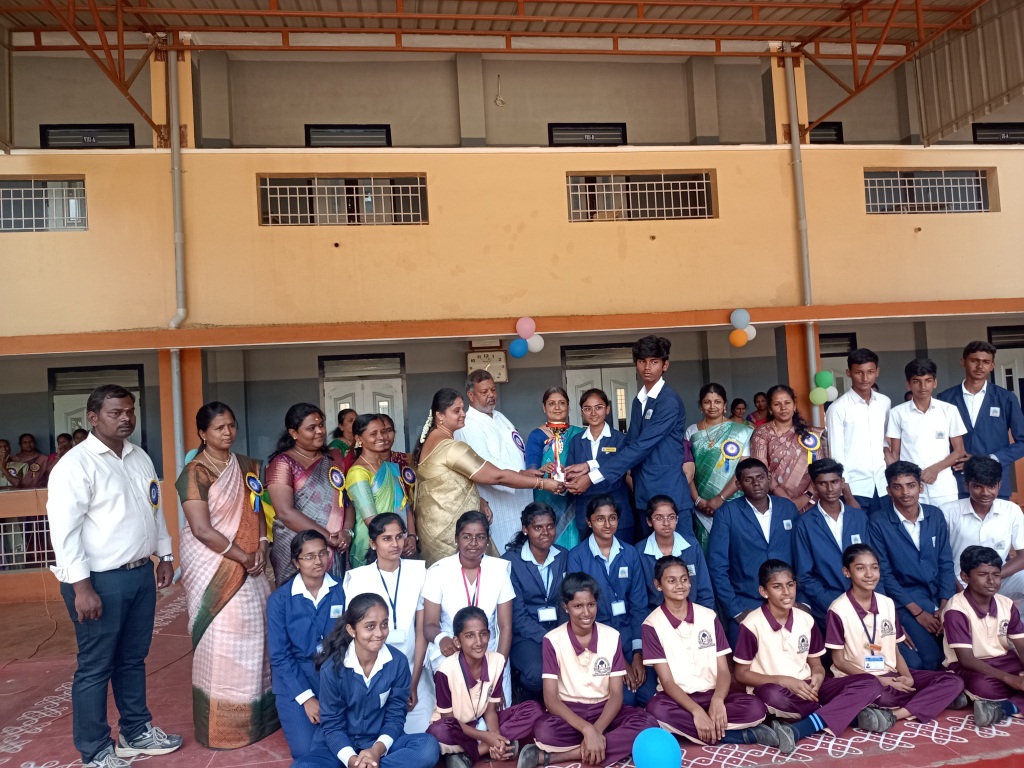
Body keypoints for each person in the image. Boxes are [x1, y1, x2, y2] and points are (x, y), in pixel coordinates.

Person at [46, 384, 182, 768]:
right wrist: (82, 588)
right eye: (115, 413)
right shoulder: (76, 465)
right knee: (96, 666)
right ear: (93, 417)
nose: (125, 418)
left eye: (129, 411)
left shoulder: (139, 457)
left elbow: (153, 509)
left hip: (139, 574)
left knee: (133, 659)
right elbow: (65, 533)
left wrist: (165, 555)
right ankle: (95, 750)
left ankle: (135, 731)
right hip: (98, 582)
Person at [175, 402, 277, 749]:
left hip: (251, 560)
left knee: (257, 630)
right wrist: (242, 556)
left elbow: (256, 509)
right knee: (223, 636)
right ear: (202, 433)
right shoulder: (195, 472)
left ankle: (259, 720)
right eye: (219, 428)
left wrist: (262, 544)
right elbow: (201, 529)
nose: (228, 432)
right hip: (214, 564)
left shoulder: (247, 466)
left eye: (231, 425)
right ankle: (223, 728)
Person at [732, 560, 884, 754]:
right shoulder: (751, 624)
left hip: (809, 689)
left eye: (790, 585)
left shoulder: (806, 619)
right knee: (771, 695)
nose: (786, 592)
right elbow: (741, 674)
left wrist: (818, 677)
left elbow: (816, 664)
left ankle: (802, 728)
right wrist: (785, 681)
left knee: (870, 682)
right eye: (777, 587)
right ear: (764, 591)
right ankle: (849, 715)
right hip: (777, 690)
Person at [414, 388, 563, 566]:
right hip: (448, 531)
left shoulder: (432, 441)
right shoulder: (450, 448)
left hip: (434, 526)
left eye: (462, 408)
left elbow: (449, 483)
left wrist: (478, 499)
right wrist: (542, 483)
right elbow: (497, 476)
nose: (463, 414)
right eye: (456, 411)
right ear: (439, 416)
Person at [825, 544, 965, 732]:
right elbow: (839, 661)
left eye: (874, 567)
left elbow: (895, 650)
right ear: (846, 572)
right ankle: (923, 702)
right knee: (880, 694)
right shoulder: (838, 609)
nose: (869, 574)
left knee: (953, 681)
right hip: (861, 680)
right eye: (860, 568)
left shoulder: (887, 603)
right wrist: (881, 680)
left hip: (891, 674)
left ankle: (894, 715)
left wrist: (907, 677)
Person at [293, 594, 442, 768]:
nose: (379, 633)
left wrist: (376, 751)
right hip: (338, 747)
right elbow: (333, 726)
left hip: (381, 743)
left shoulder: (397, 662)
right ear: (351, 630)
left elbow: (395, 717)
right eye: (370, 626)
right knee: (303, 766)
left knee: (428, 747)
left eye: (384, 624)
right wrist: (352, 761)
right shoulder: (332, 669)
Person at [643, 556, 776, 747]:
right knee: (656, 711)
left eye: (684, 579)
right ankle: (743, 736)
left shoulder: (708, 616)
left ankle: (697, 730)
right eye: (671, 581)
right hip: (678, 700)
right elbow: (667, 682)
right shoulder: (651, 624)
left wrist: (718, 700)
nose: (680, 585)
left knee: (756, 708)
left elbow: (723, 670)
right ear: (658, 585)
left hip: (713, 693)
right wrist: (697, 711)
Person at [565, 335, 691, 530]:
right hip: (644, 494)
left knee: (680, 548)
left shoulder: (668, 401)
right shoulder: (639, 400)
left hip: (669, 494)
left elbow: (641, 447)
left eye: (654, 362)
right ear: (636, 364)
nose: (647, 367)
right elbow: (628, 444)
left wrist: (591, 477)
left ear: (665, 365)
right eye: (642, 361)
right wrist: (589, 465)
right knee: (648, 549)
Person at [532, 573, 658, 767]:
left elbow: (616, 694)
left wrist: (596, 730)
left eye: (591, 604)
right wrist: (587, 730)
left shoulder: (612, 636)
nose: (586, 613)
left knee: (648, 724)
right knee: (544, 731)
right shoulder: (552, 640)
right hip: (570, 712)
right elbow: (551, 698)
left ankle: (569, 754)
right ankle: (599, 744)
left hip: (605, 710)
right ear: (566, 607)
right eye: (577, 606)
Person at [344, 513, 432, 733]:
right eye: (387, 538)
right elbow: (355, 636)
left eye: (399, 537)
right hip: (372, 670)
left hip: (412, 667)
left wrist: (413, 683)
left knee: (423, 728)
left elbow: (421, 631)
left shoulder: (419, 572)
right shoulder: (358, 578)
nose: (395, 544)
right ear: (373, 543)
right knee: (373, 731)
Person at [426, 606, 545, 768]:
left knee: (533, 710)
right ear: (457, 641)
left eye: (483, 634)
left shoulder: (497, 661)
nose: (479, 642)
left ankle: (474, 752)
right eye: (470, 636)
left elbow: (490, 711)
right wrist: (487, 737)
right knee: (438, 732)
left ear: (489, 635)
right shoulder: (445, 671)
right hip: (457, 728)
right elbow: (448, 719)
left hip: (482, 723)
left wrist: (494, 735)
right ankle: (490, 747)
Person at [267, 531, 347, 759]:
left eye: (323, 553)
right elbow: (280, 656)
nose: (318, 561)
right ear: (296, 562)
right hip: (295, 679)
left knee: (347, 740)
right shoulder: (280, 600)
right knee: (306, 751)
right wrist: (306, 698)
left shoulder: (343, 589)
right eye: (309, 556)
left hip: (336, 674)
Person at [869, 461, 956, 671]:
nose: (905, 492)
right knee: (930, 661)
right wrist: (918, 613)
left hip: (940, 599)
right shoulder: (878, 522)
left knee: (960, 653)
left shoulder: (934, 515)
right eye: (897, 487)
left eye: (910, 485)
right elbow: (884, 574)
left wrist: (945, 606)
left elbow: (945, 562)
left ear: (920, 487)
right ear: (889, 490)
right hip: (905, 603)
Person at [422, 512, 516, 702]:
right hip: (451, 649)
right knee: (456, 710)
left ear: (487, 540)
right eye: (466, 537)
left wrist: (498, 666)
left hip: (489, 649)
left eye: (480, 537)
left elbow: (505, 627)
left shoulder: (499, 570)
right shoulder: (438, 571)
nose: (473, 543)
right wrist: (442, 640)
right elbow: (429, 624)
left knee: (494, 711)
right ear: (456, 539)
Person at [566, 495, 651, 705]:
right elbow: (582, 615)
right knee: (626, 699)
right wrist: (619, 661)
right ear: (589, 522)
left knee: (648, 693)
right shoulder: (577, 556)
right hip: (596, 644)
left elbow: (639, 606)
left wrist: (638, 653)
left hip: (630, 638)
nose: (607, 524)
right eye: (600, 519)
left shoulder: (630, 553)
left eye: (612, 518)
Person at [707, 458, 798, 644]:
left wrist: (801, 601)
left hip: (788, 600)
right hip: (746, 603)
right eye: (748, 480)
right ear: (739, 485)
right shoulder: (726, 513)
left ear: (769, 478)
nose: (756, 483)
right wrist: (735, 610)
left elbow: (801, 557)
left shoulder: (787, 508)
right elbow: (717, 566)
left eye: (760, 477)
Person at [266, 403, 354, 587]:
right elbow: (285, 512)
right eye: (311, 428)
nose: (320, 431)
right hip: (297, 546)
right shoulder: (282, 463)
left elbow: (345, 500)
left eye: (321, 425)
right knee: (300, 599)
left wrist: (347, 531)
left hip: (336, 544)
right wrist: (327, 537)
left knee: (335, 598)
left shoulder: (333, 458)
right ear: (294, 433)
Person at [942, 545, 1024, 727]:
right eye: (983, 574)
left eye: (996, 575)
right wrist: (1011, 679)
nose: (991, 581)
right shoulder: (956, 609)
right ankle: (1008, 705)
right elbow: (967, 659)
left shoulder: (1006, 604)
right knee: (985, 687)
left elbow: (1021, 646)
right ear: (965, 577)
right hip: (972, 666)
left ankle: (1004, 707)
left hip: (1005, 661)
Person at [455, 370, 535, 552]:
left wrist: (530, 471)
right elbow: (485, 462)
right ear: (471, 395)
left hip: (522, 494)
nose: (491, 395)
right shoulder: (468, 425)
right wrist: (521, 474)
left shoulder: (500, 417)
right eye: (484, 392)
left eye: (492, 390)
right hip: (497, 501)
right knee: (505, 551)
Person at [793, 459, 873, 629]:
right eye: (823, 483)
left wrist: (873, 602)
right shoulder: (804, 524)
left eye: (834, 482)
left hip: (865, 601)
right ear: (814, 486)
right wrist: (839, 605)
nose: (830, 489)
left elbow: (874, 565)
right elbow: (805, 577)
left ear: (842, 482)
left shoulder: (859, 518)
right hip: (828, 606)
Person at [938, 340, 1024, 500]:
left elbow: (1022, 442)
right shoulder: (945, 399)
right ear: (963, 362)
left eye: (986, 362)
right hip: (956, 482)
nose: (980, 366)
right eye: (974, 360)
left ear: (992, 366)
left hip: (995, 482)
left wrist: (989, 459)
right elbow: (937, 440)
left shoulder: (1006, 398)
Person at [502, 502, 569, 699]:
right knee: (538, 673)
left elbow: (568, 601)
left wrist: (563, 635)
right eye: (538, 527)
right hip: (525, 636)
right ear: (525, 529)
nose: (545, 533)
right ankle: (527, 699)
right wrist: (549, 639)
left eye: (550, 526)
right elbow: (518, 616)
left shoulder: (563, 555)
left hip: (560, 630)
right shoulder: (510, 562)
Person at [887, 358, 967, 508]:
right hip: (910, 487)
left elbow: (959, 450)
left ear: (935, 383)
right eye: (916, 381)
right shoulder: (897, 413)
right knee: (913, 522)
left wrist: (935, 469)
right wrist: (898, 483)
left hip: (943, 485)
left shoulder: (949, 410)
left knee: (946, 522)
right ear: (908, 384)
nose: (923, 387)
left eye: (928, 381)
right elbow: (895, 453)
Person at [942, 456, 1024, 600]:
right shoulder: (947, 512)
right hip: (959, 582)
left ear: (999, 485)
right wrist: (961, 590)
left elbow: (1022, 557)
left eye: (991, 487)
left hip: (999, 579)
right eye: (978, 486)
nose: (985, 493)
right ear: (966, 485)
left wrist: (992, 577)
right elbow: (938, 559)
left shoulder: (1011, 510)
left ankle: (1012, 616)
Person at [686, 383, 754, 549]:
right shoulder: (691, 431)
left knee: (734, 549)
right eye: (707, 402)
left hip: (732, 501)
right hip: (701, 505)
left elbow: (743, 470)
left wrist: (720, 498)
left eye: (717, 402)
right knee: (705, 549)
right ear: (701, 406)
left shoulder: (740, 431)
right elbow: (687, 470)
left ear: (724, 405)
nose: (712, 406)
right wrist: (698, 500)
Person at [826, 348, 892, 514]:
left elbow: (885, 442)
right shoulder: (837, 408)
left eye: (870, 372)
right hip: (855, 488)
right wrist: (847, 495)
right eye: (858, 372)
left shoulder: (884, 402)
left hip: (883, 485)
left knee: (884, 529)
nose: (865, 378)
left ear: (877, 372)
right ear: (849, 373)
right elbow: (836, 455)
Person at [564, 388, 633, 544]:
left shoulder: (621, 439)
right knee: (589, 557)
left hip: (616, 511)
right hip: (585, 513)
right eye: (587, 408)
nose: (593, 413)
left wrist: (586, 481)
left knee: (621, 556)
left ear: (607, 409)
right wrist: (569, 482)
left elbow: (618, 472)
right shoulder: (576, 441)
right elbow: (571, 473)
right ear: (582, 412)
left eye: (599, 407)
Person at [345, 415, 411, 568]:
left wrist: (411, 536)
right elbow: (371, 519)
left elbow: (405, 506)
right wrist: (395, 539)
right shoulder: (358, 472)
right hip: (372, 545)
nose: (381, 437)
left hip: (398, 541)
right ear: (359, 439)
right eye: (373, 434)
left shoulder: (390, 467)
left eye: (383, 431)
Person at [751, 384, 829, 513]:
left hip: (809, 502)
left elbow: (821, 469)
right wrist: (785, 499)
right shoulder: (762, 432)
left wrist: (807, 496)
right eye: (777, 404)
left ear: (794, 406)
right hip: (774, 501)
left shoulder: (810, 434)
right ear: (770, 409)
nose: (783, 408)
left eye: (787, 403)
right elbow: (760, 470)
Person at [524, 387, 584, 550]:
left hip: (574, 496)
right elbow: (530, 472)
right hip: (545, 495)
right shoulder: (536, 435)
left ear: (568, 406)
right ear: (544, 408)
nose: (557, 407)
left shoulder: (579, 433)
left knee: (574, 540)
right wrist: (543, 470)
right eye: (551, 403)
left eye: (562, 403)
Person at [635, 496, 714, 612]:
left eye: (671, 517)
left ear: (677, 519)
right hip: (656, 617)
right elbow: (639, 599)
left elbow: (705, 589)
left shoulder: (692, 545)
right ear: (649, 521)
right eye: (659, 518)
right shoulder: (639, 552)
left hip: (694, 614)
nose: (666, 523)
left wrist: (704, 616)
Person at [379, 413, 419, 556]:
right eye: (380, 432)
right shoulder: (364, 467)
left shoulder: (406, 460)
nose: (385, 436)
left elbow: (410, 502)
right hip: (380, 533)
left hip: (409, 526)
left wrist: (412, 535)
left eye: (389, 430)